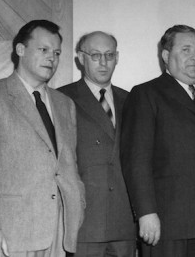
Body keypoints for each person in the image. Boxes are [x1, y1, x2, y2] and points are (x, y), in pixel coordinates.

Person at [0, 20, 85, 257]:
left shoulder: (65, 104)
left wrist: (78, 205)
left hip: (61, 233)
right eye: (43, 50)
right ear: (20, 50)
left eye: (57, 52)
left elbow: (69, 166)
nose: (52, 58)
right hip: (13, 232)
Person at [120, 24, 195, 257]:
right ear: (166, 56)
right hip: (172, 223)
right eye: (186, 50)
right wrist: (146, 213)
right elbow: (136, 160)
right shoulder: (146, 94)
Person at [58, 31, 136, 257]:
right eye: (95, 55)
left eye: (109, 55)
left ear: (117, 57)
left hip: (124, 224)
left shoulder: (131, 100)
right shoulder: (62, 98)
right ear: (81, 59)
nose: (103, 62)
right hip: (85, 224)